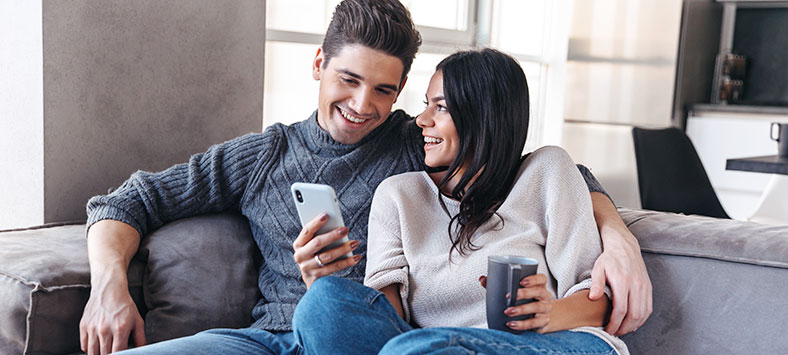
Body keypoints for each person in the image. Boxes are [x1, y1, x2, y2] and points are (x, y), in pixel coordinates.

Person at [79, 1, 650, 354]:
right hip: (276, 337)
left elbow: (529, 163)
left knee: (338, 306)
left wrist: (618, 237)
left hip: (381, 339)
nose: (362, 104)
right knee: (323, 302)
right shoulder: (262, 155)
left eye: (384, 90)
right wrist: (108, 286)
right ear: (318, 64)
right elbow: (129, 201)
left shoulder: (416, 144)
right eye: (349, 79)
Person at [293, 48, 629, 354]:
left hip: (555, 342)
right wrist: (322, 280)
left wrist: (546, 313)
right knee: (323, 303)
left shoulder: (547, 171)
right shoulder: (399, 196)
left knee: (424, 347)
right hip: (428, 348)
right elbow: (386, 323)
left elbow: (599, 300)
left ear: (483, 116)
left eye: (440, 107)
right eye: (426, 105)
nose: (422, 120)